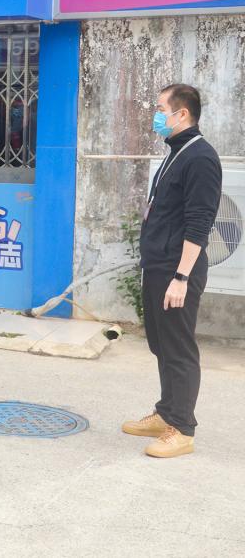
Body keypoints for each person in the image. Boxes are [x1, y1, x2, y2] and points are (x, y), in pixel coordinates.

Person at [122, 84, 221, 458]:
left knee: (178, 348)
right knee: (160, 344)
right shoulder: (177, 152)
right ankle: (166, 412)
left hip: (177, 271)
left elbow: (199, 222)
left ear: (182, 114)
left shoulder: (201, 158)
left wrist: (181, 277)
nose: (156, 114)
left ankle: (182, 429)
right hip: (158, 266)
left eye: (161, 108)